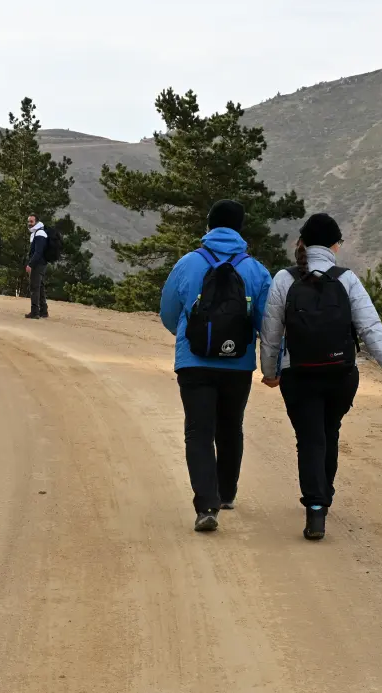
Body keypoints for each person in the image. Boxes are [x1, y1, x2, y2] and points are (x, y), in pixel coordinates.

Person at [259, 213, 382, 541]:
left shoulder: (284, 278)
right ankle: (325, 494)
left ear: (303, 243)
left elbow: (271, 332)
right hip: (341, 375)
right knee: (329, 430)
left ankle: (315, 509)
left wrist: (270, 372)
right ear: (335, 245)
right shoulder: (347, 279)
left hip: (299, 375)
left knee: (309, 438)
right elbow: (369, 327)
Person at [159, 199, 273, 533]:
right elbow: (266, 323)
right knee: (230, 425)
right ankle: (226, 492)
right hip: (237, 365)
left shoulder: (187, 263)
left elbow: (168, 310)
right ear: (240, 229)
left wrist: (187, 336)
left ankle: (206, 505)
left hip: (194, 363)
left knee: (198, 430)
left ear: (209, 227)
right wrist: (270, 363)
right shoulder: (255, 269)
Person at [24, 214, 49, 320]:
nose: (29, 223)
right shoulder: (37, 232)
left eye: (31, 222)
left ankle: (35, 312)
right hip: (41, 264)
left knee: (34, 287)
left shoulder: (39, 234)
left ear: (36, 222)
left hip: (38, 264)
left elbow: (38, 252)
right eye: (28, 221)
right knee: (40, 287)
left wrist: (30, 264)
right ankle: (43, 311)